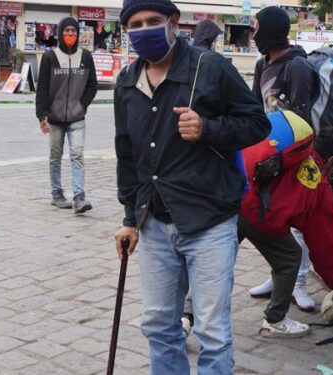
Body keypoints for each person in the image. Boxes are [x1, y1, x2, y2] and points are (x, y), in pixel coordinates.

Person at [113, 0, 270, 373]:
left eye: (153, 20)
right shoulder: (126, 82)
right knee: (158, 325)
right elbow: (127, 154)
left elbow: (256, 124)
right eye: (135, 24)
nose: (145, 29)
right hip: (154, 224)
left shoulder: (210, 68)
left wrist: (208, 129)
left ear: (173, 21)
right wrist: (130, 218)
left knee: (212, 332)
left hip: (209, 220)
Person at [240, 111, 333, 337]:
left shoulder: (292, 153)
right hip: (260, 217)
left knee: (215, 259)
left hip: (236, 199)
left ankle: (189, 312)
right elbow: (327, 252)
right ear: (332, 161)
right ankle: (275, 319)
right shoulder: (318, 185)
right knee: (289, 258)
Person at [249, 5, 319, 312]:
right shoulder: (261, 64)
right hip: (268, 153)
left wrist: (285, 157)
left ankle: (299, 283)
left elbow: (301, 118)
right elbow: (254, 109)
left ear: (271, 30)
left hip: (295, 154)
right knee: (272, 219)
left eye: (255, 28)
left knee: (296, 222)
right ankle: (279, 276)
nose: (253, 34)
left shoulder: (297, 66)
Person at [36, 17, 97, 214]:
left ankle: (79, 198)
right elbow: (42, 88)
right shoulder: (50, 57)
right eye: (66, 31)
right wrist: (41, 115)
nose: (70, 34)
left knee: (77, 156)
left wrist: (82, 105)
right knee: (55, 157)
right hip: (54, 118)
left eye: (73, 31)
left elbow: (92, 85)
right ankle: (57, 194)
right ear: (60, 33)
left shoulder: (86, 57)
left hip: (77, 118)